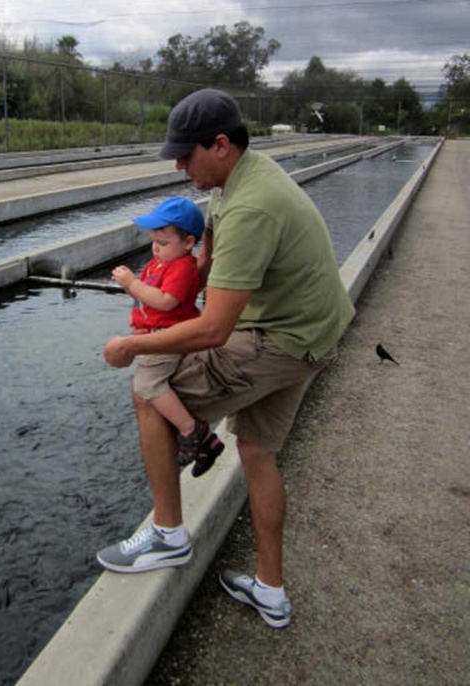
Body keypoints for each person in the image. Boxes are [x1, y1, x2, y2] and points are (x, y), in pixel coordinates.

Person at [97, 89, 355, 629]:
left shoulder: (251, 206)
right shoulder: (243, 177)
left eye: (186, 155)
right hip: (311, 331)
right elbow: (214, 243)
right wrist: (203, 258)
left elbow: (214, 330)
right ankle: (271, 592)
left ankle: (168, 534)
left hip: (280, 338)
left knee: (148, 391)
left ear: (220, 145)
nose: (178, 165)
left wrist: (131, 345)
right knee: (258, 453)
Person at [111, 196, 225, 478]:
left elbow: (165, 302)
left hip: (171, 337)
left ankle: (191, 430)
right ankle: (209, 445)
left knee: (146, 385)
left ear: (187, 243)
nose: (155, 249)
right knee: (150, 386)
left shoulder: (182, 267)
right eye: (153, 242)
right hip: (154, 333)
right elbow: (145, 297)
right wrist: (134, 305)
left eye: (162, 243)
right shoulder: (158, 263)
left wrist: (132, 283)